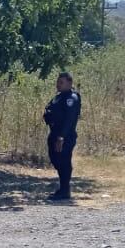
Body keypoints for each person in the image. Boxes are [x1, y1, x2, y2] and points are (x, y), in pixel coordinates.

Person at [43, 71, 82, 200]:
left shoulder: (72, 98)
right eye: (57, 82)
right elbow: (49, 109)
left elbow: (69, 120)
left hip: (65, 136)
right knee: (55, 159)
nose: (58, 84)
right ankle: (63, 188)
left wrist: (61, 137)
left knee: (64, 161)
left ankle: (65, 190)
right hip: (54, 132)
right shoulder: (59, 97)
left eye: (61, 82)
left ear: (69, 83)